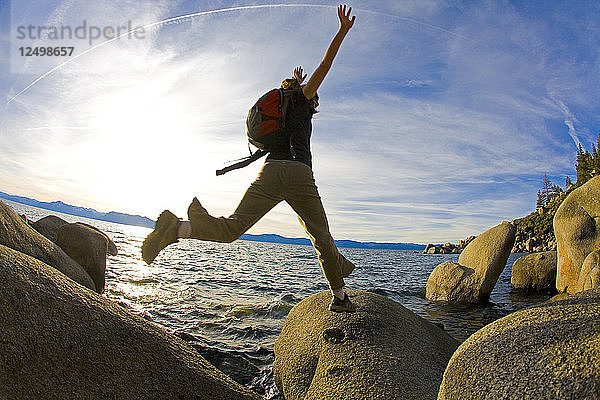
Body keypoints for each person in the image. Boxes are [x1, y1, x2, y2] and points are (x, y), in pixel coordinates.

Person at [142, 4, 357, 312]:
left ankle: (177, 229)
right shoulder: (303, 101)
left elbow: (301, 86)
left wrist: (295, 80)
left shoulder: (286, 107)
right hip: (297, 174)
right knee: (321, 237)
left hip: (269, 172)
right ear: (304, 94)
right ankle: (340, 299)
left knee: (232, 228)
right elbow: (326, 64)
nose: (316, 98)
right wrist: (341, 32)